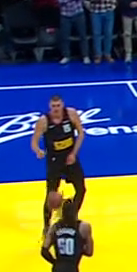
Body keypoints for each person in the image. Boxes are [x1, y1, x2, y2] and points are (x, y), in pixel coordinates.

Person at [31, 95, 87, 236]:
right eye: (53, 106)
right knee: (51, 195)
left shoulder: (71, 114)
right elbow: (34, 141)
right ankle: (46, 226)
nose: (56, 109)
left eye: (58, 106)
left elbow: (81, 134)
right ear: (50, 107)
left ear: (62, 105)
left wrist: (74, 153)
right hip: (54, 160)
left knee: (81, 189)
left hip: (70, 158)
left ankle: (71, 216)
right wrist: (38, 151)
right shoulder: (44, 121)